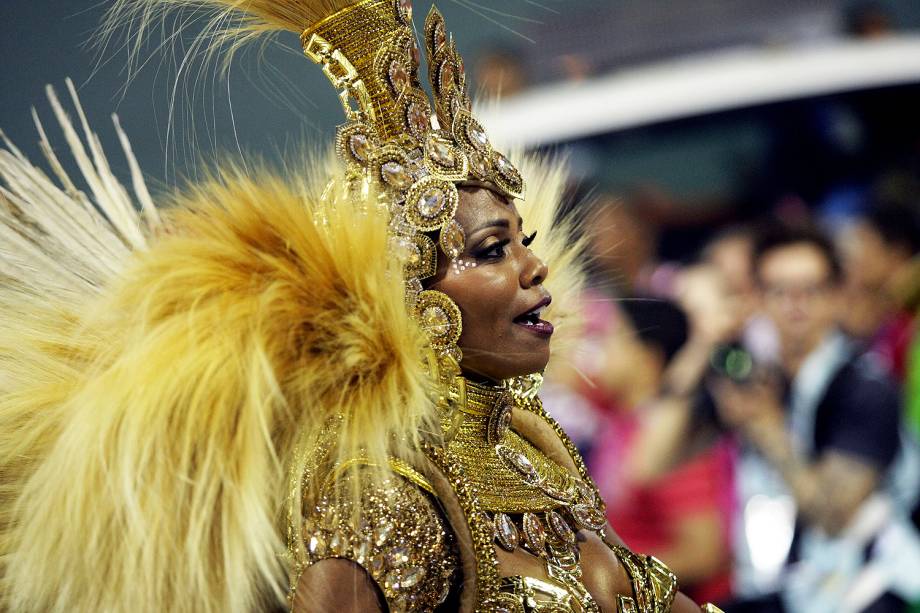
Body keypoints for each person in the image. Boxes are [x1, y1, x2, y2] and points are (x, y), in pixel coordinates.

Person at [0, 1, 725, 612]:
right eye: (491, 248)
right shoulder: (379, 497)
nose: (537, 266)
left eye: (524, 240)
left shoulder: (534, 449)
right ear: (408, 293)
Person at [711, 223, 918, 612]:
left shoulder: (867, 387)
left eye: (811, 290)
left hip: (872, 588)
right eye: (779, 291)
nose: (796, 305)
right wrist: (704, 342)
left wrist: (767, 429)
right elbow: (651, 463)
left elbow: (833, 516)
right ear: (757, 299)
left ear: (838, 297)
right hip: (792, 586)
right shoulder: (759, 377)